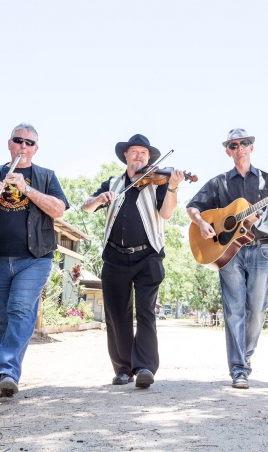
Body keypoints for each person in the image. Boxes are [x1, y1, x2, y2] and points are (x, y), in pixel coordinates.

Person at [0, 123, 69, 398]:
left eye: (29, 142)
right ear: (9, 144)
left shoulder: (45, 176)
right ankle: (5, 378)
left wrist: (27, 189)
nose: (23, 146)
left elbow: (59, 210)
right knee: (0, 321)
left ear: (36, 149)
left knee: (20, 309)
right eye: (18, 140)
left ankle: (7, 372)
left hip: (34, 259)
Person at [186, 128, 268, 389]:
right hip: (228, 253)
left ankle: (244, 357)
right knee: (234, 309)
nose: (240, 148)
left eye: (244, 143)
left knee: (256, 310)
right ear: (228, 151)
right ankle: (238, 369)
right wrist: (201, 223)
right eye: (234, 145)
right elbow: (192, 207)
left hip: (261, 249)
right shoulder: (219, 183)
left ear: (251, 148)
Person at [82, 134, 184, 388]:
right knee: (116, 315)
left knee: (146, 312)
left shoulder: (159, 183)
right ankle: (123, 368)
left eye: (144, 153)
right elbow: (86, 207)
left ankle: (146, 367)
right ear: (125, 156)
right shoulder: (113, 182)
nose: (139, 156)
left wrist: (172, 187)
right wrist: (98, 199)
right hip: (115, 256)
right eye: (135, 152)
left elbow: (167, 214)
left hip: (147, 256)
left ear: (149, 159)